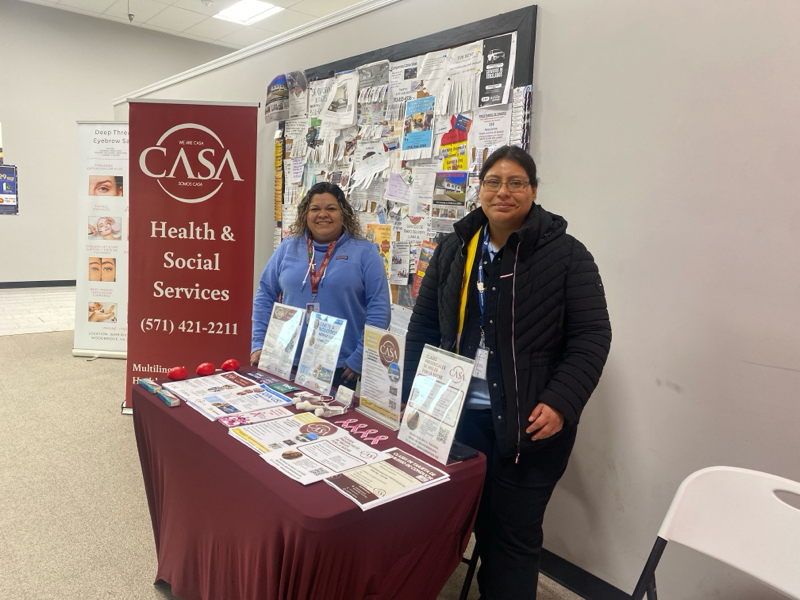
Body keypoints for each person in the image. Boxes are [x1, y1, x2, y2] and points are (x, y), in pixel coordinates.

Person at [403, 146, 611, 600]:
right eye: (493, 182)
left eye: (516, 182)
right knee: (465, 520)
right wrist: (411, 400)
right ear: (479, 189)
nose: (503, 192)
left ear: (533, 191)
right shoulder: (455, 248)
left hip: (527, 425)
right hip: (458, 417)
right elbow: (424, 327)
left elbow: (592, 336)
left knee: (512, 538)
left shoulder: (567, 255)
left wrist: (561, 402)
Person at [250, 182, 390, 387]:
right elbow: (265, 296)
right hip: (284, 359)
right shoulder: (288, 248)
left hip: (340, 366)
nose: (323, 214)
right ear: (305, 214)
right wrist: (259, 343)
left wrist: (360, 357)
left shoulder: (365, 252)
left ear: (344, 214)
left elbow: (379, 309)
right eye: (315, 209)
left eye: (331, 208)